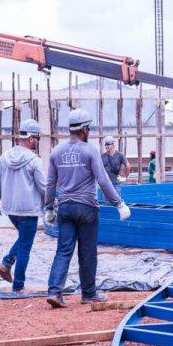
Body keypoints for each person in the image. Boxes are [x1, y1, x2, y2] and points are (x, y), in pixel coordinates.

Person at [44, 108, 131, 308]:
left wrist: (49, 208)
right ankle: (89, 293)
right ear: (84, 129)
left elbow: (50, 183)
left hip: (64, 207)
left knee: (63, 250)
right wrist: (119, 203)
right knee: (87, 251)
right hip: (86, 208)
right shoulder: (90, 150)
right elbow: (103, 180)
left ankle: (55, 292)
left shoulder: (57, 151)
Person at [0, 119, 46, 293]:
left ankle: (7, 263)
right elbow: (43, 187)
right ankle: (18, 285)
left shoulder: (5, 157)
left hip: (10, 210)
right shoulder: (34, 160)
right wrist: (52, 205)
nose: (37, 142)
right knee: (25, 247)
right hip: (29, 210)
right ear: (30, 138)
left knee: (23, 240)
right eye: (37, 138)